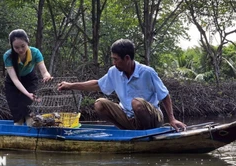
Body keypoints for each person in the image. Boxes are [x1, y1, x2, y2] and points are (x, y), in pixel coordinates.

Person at [57, 38, 186, 131]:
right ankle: (124, 131)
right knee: (99, 104)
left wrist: (172, 119)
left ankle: (146, 133)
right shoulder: (114, 72)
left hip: (152, 118)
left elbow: (164, 95)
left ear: (127, 59)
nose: (113, 62)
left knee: (137, 103)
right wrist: (71, 85)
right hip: (129, 118)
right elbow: (97, 85)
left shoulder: (147, 72)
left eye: (116, 59)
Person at [3, 29, 52, 126]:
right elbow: (15, 80)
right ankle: (18, 129)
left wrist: (47, 76)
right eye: (16, 47)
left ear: (27, 42)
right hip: (13, 82)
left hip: (30, 79)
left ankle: (31, 129)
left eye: (23, 46)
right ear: (12, 46)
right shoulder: (7, 56)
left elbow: (44, 71)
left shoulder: (35, 52)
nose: (20, 50)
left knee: (29, 111)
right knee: (17, 114)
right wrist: (27, 93)